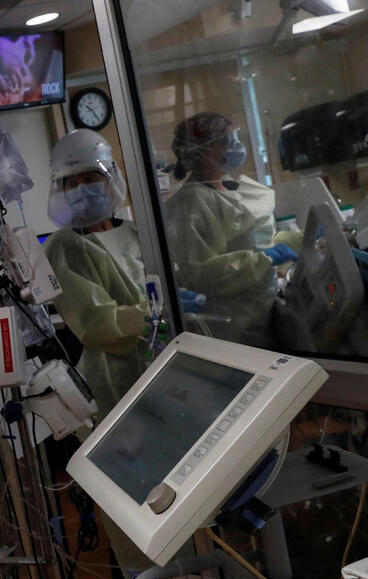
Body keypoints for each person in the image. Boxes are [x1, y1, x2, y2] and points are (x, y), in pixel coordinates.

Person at [164, 111, 296, 347]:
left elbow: (253, 241)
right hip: (233, 325)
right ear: (203, 152)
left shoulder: (228, 189)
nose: (235, 144)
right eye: (226, 140)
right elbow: (200, 274)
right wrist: (264, 259)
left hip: (260, 310)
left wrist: (298, 240)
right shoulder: (192, 204)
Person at [44, 129, 151, 420]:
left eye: (90, 179)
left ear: (110, 181)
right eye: (72, 183)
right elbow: (98, 325)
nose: (81, 189)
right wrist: (156, 313)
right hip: (115, 381)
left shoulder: (137, 230)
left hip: (164, 359)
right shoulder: (64, 246)